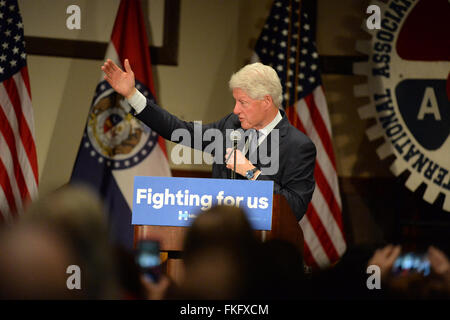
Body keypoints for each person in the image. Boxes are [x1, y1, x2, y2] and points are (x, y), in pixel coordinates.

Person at [101, 60, 316, 220]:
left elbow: (294, 208)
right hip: (219, 244)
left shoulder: (299, 147)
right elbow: (179, 130)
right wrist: (132, 95)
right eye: (235, 101)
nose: (235, 110)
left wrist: (252, 173)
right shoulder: (231, 125)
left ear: (267, 101)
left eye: (243, 102)